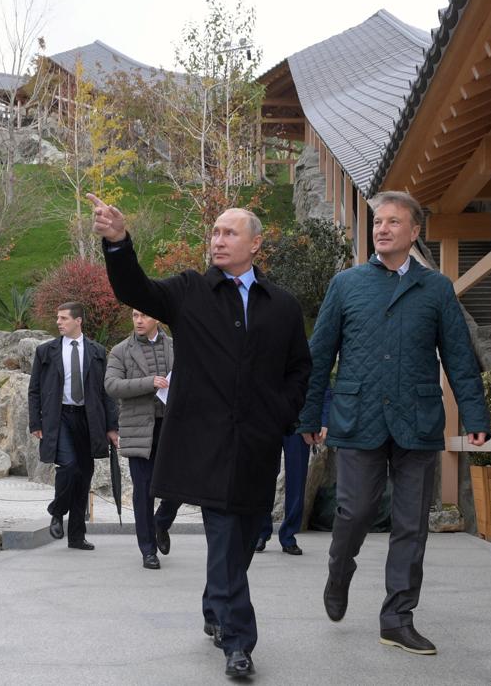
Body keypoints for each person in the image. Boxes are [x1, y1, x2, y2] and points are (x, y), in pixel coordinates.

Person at [90, 192, 312, 679]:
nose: (217, 239)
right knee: (224, 534)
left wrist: (281, 414)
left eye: (229, 232)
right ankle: (239, 642)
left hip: (257, 447)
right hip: (205, 447)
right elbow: (135, 289)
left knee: (247, 535)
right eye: (214, 232)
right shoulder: (189, 291)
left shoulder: (283, 306)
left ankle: (215, 604)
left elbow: (300, 370)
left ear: (255, 244)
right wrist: (118, 242)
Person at [299, 190, 490, 656]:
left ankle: (397, 618)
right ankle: (340, 568)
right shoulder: (346, 284)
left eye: (392, 222)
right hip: (358, 417)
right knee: (356, 511)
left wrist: (475, 413)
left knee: (411, 525)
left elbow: (460, 357)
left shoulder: (437, 289)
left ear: (414, 231)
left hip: (418, 421)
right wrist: (309, 414)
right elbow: (320, 354)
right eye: (377, 222)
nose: (381, 229)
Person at [28, 302, 120, 551]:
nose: (58, 322)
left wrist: (112, 427)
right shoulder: (45, 351)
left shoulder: (98, 351)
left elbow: (106, 392)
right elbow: (34, 389)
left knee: (84, 476)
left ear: (78, 321)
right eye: (57, 318)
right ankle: (57, 511)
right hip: (60, 418)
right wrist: (35, 422)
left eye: (63, 318)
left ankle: (77, 536)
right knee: (68, 467)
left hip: (89, 420)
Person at [105, 309, 181, 570]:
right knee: (144, 491)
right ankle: (148, 550)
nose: (138, 320)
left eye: (144, 316)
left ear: (157, 319)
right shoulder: (121, 350)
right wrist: (149, 383)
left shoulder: (176, 346)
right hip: (139, 430)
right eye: (135, 315)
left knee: (179, 484)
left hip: (173, 429)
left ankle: (161, 522)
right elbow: (112, 385)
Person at [256, 387, 330, 556]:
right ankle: (260, 532)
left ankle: (289, 536)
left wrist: (324, 419)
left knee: (297, 480)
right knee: (263, 478)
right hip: (268, 421)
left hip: (300, 423)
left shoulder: (308, 359)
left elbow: (321, 384)